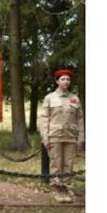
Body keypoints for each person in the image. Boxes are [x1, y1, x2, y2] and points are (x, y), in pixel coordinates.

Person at [39, 69, 84, 203]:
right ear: (57, 81)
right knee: (56, 163)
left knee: (68, 164)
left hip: (71, 136)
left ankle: (66, 189)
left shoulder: (74, 99)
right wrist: (45, 137)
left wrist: (81, 138)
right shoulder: (50, 98)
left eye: (68, 79)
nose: (66, 82)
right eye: (63, 79)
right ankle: (57, 189)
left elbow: (80, 119)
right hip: (55, 136)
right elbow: (44, 119)